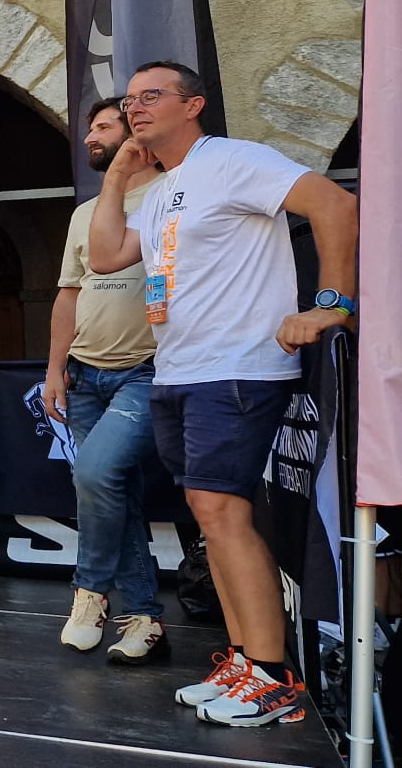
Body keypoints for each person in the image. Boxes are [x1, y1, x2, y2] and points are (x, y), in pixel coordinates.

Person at [88, 60, 359, 727]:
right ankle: (243, 661)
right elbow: (105, 256)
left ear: (194, 105)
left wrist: (331, 304)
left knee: (223, 513)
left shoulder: (234, 160)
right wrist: (118, 177)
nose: (136, 108)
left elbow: (335, 204)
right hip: (177, 370)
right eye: (130, 100)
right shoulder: (163, 188)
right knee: (211, 518)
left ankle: (272, 678)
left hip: (236, 368)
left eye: (152, 96)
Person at [41, 97, 168, 663]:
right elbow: (67, 294)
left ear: (135, 136)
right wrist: (55, 369)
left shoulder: (170, 195)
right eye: (89, 128)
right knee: (115, 491)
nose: (90, 137)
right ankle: (145, 617)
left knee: (94, 474)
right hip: (85, 375)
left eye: (102, 127)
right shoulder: (85, 213)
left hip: (147, 371)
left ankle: (89, 592)